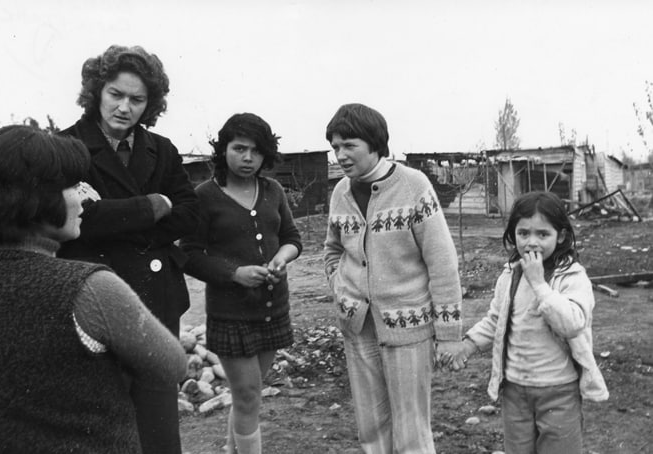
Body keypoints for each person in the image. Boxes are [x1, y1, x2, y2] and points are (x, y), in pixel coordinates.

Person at [0, 125, 187, 454]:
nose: (84, 198)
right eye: (73, 186)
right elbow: (171, 365)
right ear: (34, 200)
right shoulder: (89, 288)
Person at [57, 44, 199, 454]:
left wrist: (116, 218)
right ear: (96, 92)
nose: (125, 107)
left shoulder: (164, 149)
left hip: (158, 300)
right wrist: (154, 205)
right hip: (96, 300)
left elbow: (190, 215)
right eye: (115, 94)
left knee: (159, 428)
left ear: (150, 104)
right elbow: (81, 222)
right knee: (102, 426)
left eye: (137, 99)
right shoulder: (66, 148)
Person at [323, 103, 464, 453]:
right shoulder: (340, 192)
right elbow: (332, 250)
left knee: (410, 429)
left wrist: (448, 334)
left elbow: (442, 263)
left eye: (349, 145)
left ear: (374, 143)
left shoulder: (413, 186)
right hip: (357, 326)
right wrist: (341, 288)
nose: (340, 155)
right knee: (370, 428)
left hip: (408, 327)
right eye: (335, 146)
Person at [449, 191, 609, 453]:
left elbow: (572, 323)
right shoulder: (510, 275)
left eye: (542, 234)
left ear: (562, 236)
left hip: (558, 390)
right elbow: (496, 320)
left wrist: (538, 283)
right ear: (513, 235)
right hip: (515, 389)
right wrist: (468, 344)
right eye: (524, 233)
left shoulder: (572, 276)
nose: (532, 242)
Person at [180, 113, 302, 454]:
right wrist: (235, 273)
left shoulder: (273, 190)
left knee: (247, 396)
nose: (248, 158)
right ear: (223, 150)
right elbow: (188, 254)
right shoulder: (204, 196)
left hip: (273, 310)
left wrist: (282, 258)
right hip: (231, 314)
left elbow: (292, 238)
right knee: (248, 395)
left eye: (256, 151)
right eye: (239, 148)